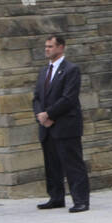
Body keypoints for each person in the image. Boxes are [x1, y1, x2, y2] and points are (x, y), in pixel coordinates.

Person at [32, 35, 91, 212]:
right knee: (52, 165)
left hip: (66, 126)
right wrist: (40, 115)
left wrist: (50, 114)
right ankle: (56, 197)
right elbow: (36, 97)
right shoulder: (44, 71)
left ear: (61, 48)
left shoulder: (71, 70)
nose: (47, 49)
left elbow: (69, 98)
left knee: (73, 164)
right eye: (46, 47)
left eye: (50, 46)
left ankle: (81, 200)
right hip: (46, 127)